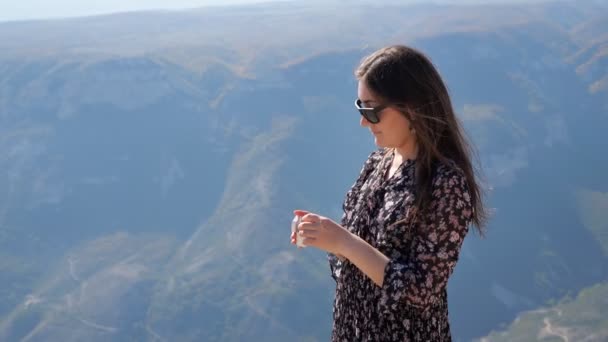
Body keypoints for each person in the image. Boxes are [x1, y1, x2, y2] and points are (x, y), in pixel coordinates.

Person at [290, 45, 488, 341]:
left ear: (412, 108)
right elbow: (356, 264)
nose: (363, 121)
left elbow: (421, 291)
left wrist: (345, 242)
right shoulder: (377, 165)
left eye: (370, 111)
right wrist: (323, 234)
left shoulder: (446, 184)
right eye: (360, 108)